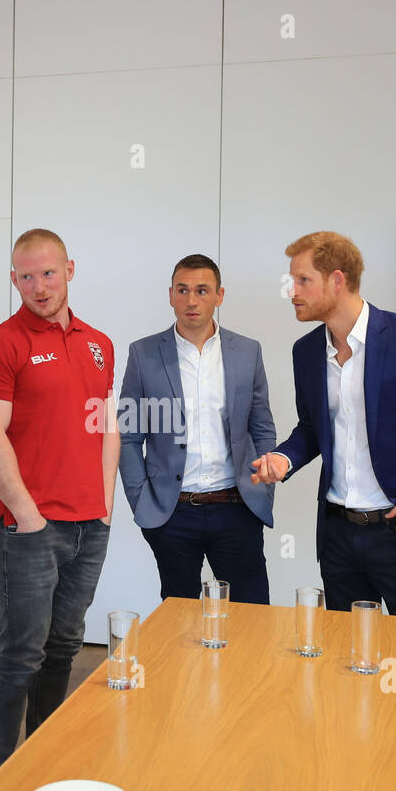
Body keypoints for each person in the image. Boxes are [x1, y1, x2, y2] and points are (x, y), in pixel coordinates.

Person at [250, 231, 396, 618]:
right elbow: (312, 427)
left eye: (303, 280)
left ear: (338, 280)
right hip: (337, 533)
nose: (291, 290)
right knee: (347, 659)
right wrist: (283, 459)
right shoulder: (306, 351)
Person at [0, 228, 118, 782]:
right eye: (26, 276)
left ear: (70, 270)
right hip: (25, 532)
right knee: (20, 657)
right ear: (13, 280)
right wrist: (29, 517)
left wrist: (103, 506)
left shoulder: (99, 342)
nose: (38, 285)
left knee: (63, 649)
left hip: (88, 526)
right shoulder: (0, 344)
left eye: (48, 272)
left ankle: (44, 767)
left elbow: (106, 426)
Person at [119, 254, 275, 604]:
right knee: (178, 619)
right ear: (170, 295)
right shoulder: (143, 354)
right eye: (183, 290)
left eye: (202, 291)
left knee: (251, 616)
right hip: (172, 513)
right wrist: (141, 500)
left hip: (237, 507)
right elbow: (128, 434)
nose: (192, 300)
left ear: (219, 296)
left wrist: (263, 490)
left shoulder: (248, 352)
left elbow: (262, 426)